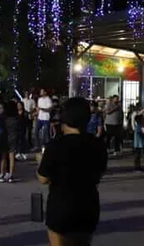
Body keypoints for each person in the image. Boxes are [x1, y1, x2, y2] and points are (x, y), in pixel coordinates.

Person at [37, 98, 107, 246]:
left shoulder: (56, 145)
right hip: (88, 206)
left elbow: (43, 178)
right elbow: (99, 174)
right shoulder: (97, 144)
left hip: (61, 206)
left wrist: (40, 161)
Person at [132, 106, 144, 172]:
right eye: (143, 112)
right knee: (137, 153)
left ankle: (138, 166)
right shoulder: (138, 124)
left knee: (138, 153)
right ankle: (136, 167)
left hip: (139, 141)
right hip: (138, 141)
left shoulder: (140, 124)